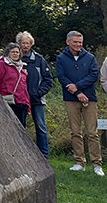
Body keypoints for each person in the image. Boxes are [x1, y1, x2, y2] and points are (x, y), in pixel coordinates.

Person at [56, 31, 102, 176]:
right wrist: (76, 93)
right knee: (75, 132)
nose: (78, 45)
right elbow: (61, 77)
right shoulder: (61, 58)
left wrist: (78, 87)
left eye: (80, 42)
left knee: (92, 132)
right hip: (71, 99)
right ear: (68, 42)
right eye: (75, 42)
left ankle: (96, 164)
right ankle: (79, 162)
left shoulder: (90, 58)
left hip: (89, 98)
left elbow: (94, 75)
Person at [16, 31, 53, 159]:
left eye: (27, 43)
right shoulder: (15, 58)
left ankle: (44, 156)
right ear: (19, 44)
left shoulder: (39, 59)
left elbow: (48, 80)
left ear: (31, 44)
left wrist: (38, 94)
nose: (25, 45)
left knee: (41, 128)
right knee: (20, 127)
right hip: (19, 100)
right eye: (23, 43)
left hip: (37, 100)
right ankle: (23, 155)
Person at [0, 43, 31, 127]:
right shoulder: (1, 65)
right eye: (13, 52)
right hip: (8, 102)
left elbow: (24, 88)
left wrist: (28, 106)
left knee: (21, 129)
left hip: (21, 103)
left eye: (17, 52)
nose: (15, 54)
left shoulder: (21, 67)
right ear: (7, 53)